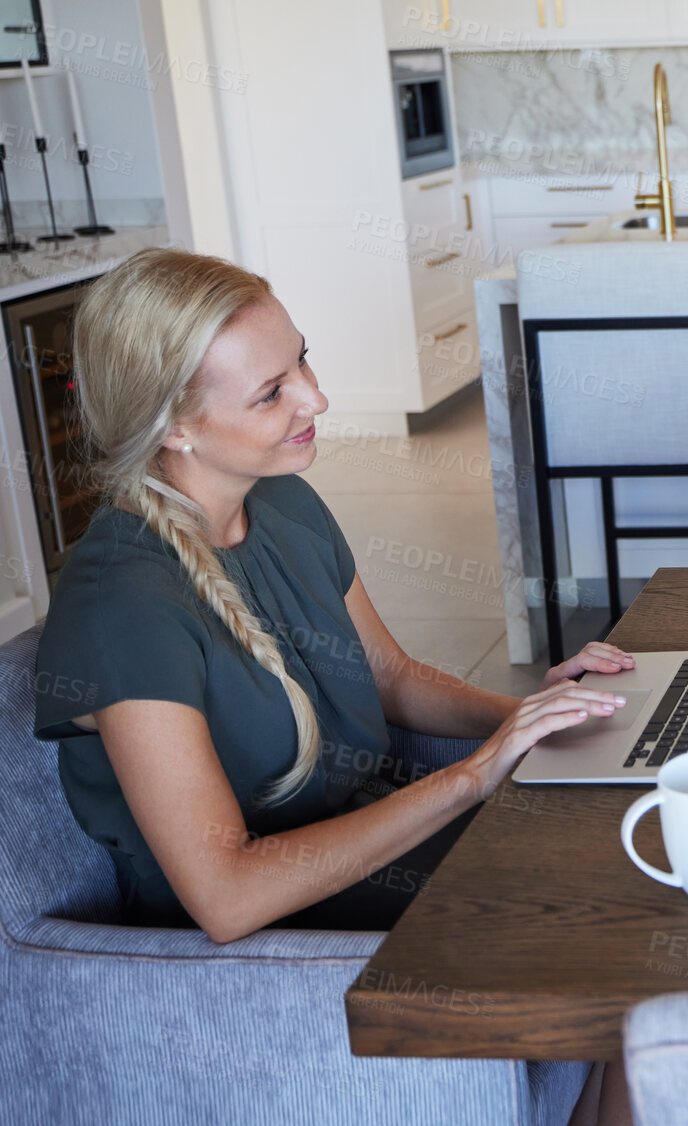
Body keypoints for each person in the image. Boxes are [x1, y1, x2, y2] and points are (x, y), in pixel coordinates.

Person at [33, 248, 635, 942]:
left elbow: (391, 677)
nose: (315, 398)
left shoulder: (284, 500)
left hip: (374, 841)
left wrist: (534, 716)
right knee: (603, 894)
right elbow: (226, 897)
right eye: (270, 393)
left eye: (302, 361)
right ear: (174, 426)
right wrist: (473, 776)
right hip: (285, 928)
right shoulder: (124, 610)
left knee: (619, 825)